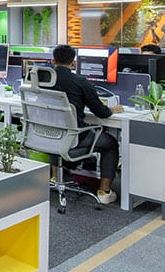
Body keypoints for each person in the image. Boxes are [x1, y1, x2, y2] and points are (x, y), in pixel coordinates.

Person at [49, 44, 122, 204]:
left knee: (57, 132)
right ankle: (104, 192)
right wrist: (113, 109)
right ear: (74, 63)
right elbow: (101, 113)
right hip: (73, 138)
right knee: (110, 143)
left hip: (48, 135)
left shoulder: (42, 79)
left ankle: (55, 177)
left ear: (52, 61)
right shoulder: (81, 82)